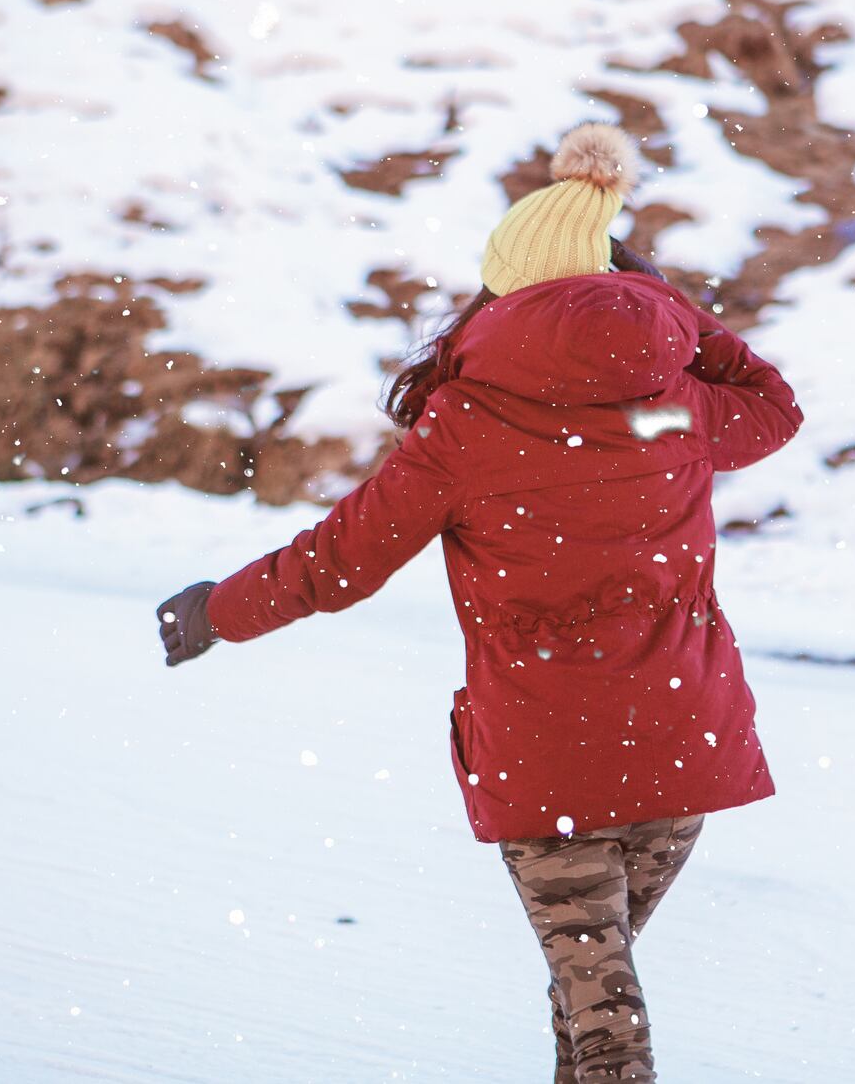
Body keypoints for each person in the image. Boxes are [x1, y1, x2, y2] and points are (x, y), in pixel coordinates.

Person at [154, 121, 805, 1083]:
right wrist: (660, 309)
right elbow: (772, 405)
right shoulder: (666, 409)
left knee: (600, 1013)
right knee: (588, 998)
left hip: (552, 752)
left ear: (498, 291)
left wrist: (219, 612)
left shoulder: (466, 421)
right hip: (680, 741)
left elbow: (340, 562)